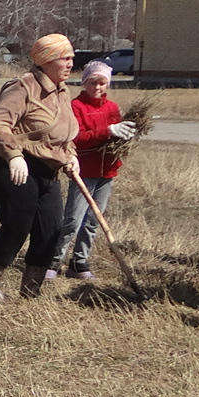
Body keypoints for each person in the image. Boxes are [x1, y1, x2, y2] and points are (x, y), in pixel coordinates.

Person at [0, 34, 80, 302]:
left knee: (51, 227)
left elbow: (63, 132)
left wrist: (71, 155)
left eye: (71, 58)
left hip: (48, 169)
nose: (70, 63)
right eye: (64, 58)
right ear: (46, 60)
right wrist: (13, 155)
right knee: (19, 223)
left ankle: (31, 288)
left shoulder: (63, 91)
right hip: (15, 166)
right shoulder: (23, 87)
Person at [48, 60, 137, 282]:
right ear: (84, 83)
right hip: (84, 170)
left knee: (92, 221)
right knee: (73, 219)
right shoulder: (76, 106)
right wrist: (108, 131)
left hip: (107, 171)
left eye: (102, 83)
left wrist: (126, 135)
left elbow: (117, 138)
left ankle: (79, 263)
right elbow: (77, 138)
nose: (97, 87)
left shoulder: (112, 108)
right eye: (92, 82)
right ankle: (53, 262)